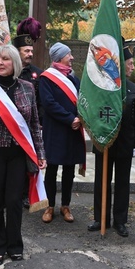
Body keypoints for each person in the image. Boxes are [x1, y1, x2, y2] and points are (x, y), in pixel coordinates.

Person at [0, 44, 46, 266]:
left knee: (13, 201)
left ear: (15, 62)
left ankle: (15, 245)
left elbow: (34, 124)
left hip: (18, 154)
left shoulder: (28, 88)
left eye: (5, 59)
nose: (0, 63)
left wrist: (39, 152)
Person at [88, 46, 135, 236]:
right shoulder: (103, 87)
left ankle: (120, 221)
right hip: (104, 141)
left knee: (122, 183)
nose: (133, 68)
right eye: (130, 64)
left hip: (125, 143)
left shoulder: (133, 89)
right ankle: (100, 218)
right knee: (101, 181)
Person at [39, 42, 86, 223]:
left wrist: (80, 119)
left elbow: (82, 100)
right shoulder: (46, 78)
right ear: (59, 58)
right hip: (55, 131)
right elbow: (49, 104)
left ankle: (65, 205)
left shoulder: (73, 78)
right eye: (69, 55)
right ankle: (49, 206)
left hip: (73, 131)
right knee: (51, 169)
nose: (72, 58)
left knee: (69, 170)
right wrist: (70, 119)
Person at [12, 16, 44, 209]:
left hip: (28, 126)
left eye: (32, 50)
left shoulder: (37, 74)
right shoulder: (9, 71)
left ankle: (25, 194)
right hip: (9, 124)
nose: (30, 53)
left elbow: (40, 101)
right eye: (26, 50)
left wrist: (39, 122)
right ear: (18, 52)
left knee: (26, 163)